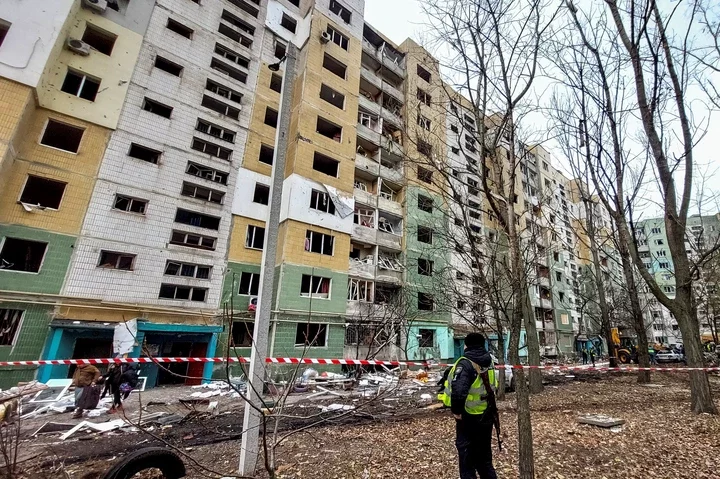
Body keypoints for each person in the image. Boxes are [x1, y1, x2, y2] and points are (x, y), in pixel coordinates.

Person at [438, 333, 499, 479]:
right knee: (484, 460)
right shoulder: (489, 362)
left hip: (468, 418)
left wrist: (456, 411)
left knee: (466, 461)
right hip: (486, 416)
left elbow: (459, 391)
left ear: (466, 345)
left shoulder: (465, 363)